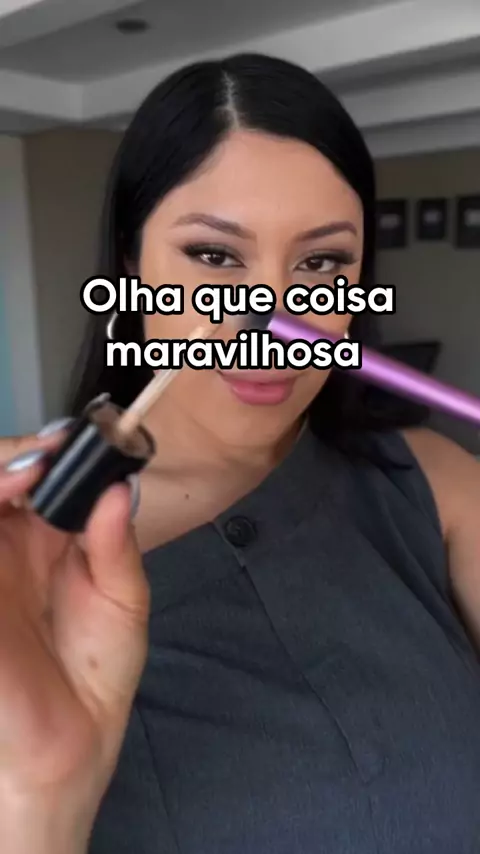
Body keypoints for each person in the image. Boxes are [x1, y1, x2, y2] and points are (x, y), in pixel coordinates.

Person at [1, 53, 479, 854]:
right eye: (216, 256)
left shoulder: (434, 483)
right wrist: (38, 808)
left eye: (322, 262)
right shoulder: (29, 574)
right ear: (131, 262)